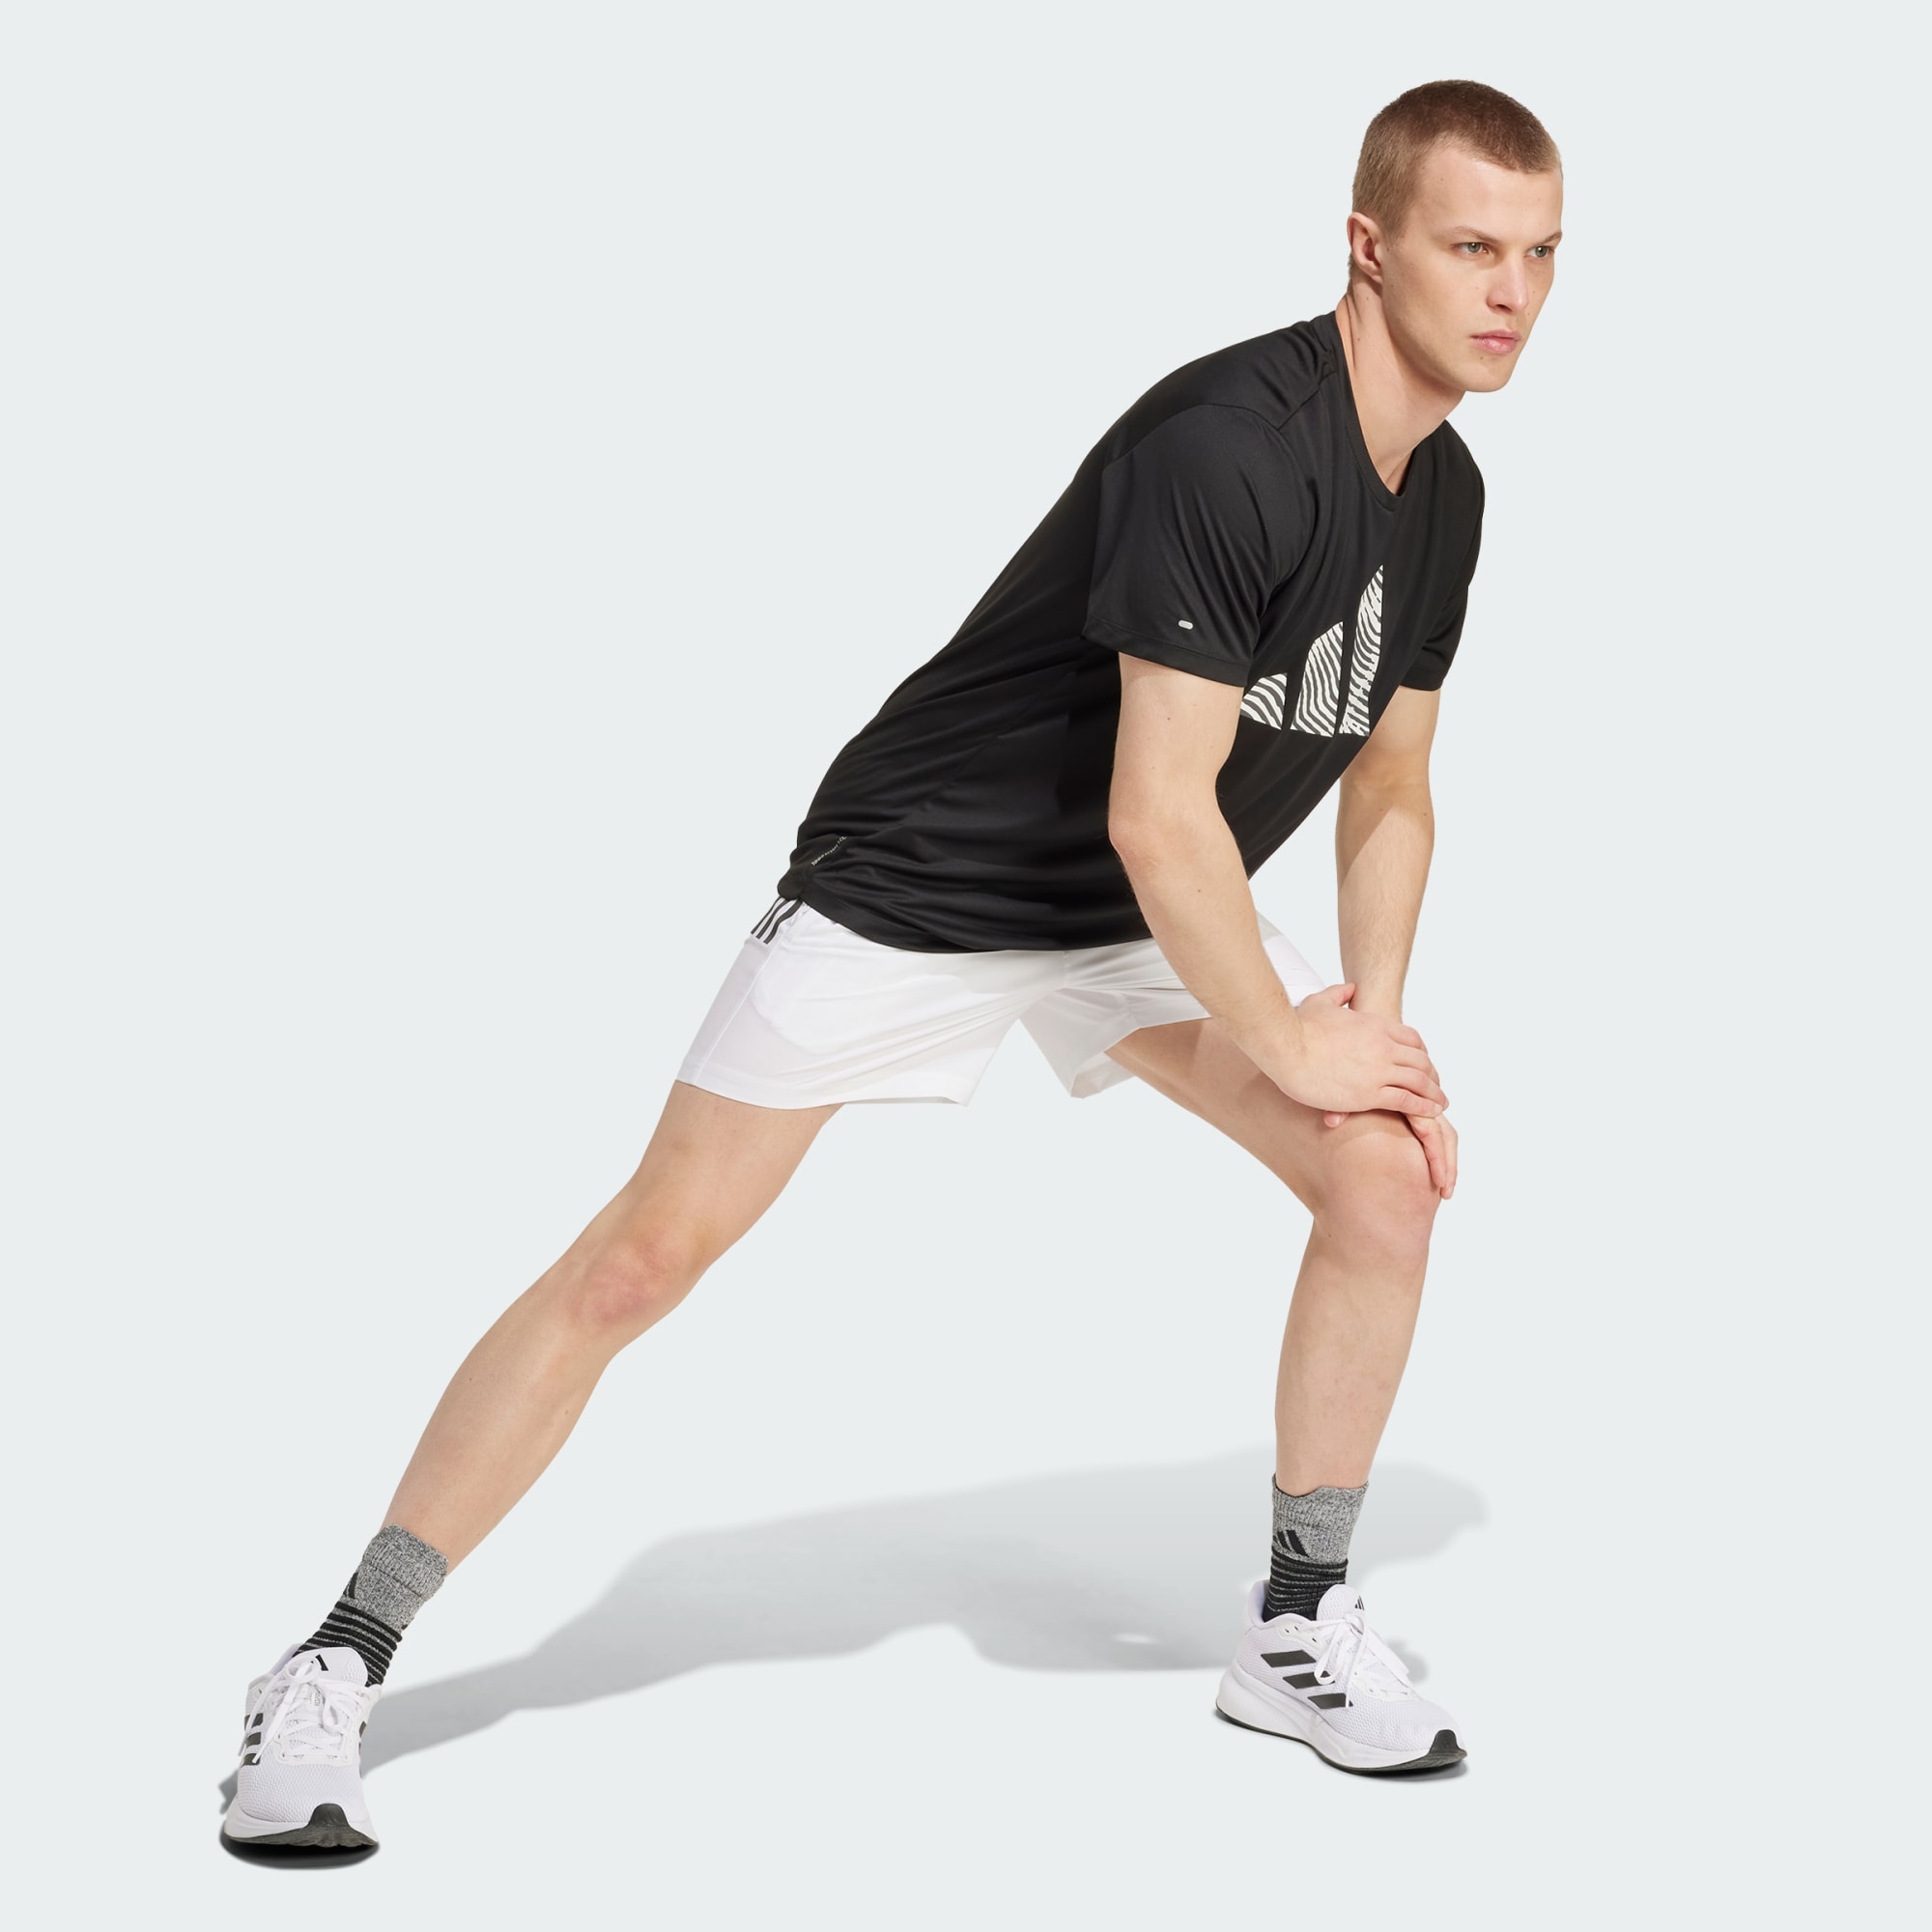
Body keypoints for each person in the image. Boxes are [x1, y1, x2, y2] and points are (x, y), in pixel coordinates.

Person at [222, 77, 1563, 1850]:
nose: (1513, 292)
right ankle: (332, 1660)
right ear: (1370, 246)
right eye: (1474, 247)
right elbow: (1161, 813)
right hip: (931, 877)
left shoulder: (1445, 491)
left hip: (1135, 913)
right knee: (642, 1259)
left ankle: (1297, 1626)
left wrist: (1371, 1033)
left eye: (1542, 254)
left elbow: (1391, 780)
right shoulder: (1229, 442)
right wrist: (1288, 1040)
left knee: (1384, 1175)